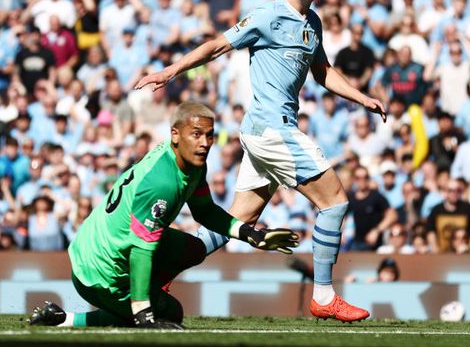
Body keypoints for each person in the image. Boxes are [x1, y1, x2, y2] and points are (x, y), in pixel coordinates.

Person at [136, 0, 386, 322]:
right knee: (334, 202)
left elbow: (323, 72)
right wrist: (172, 70)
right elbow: (217, 45)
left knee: (235, 222)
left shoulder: (312, 22)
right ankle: (323, 295)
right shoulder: (267, 15)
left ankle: (158, 277)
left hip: (265, 132)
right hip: (272, 128)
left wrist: (362, 97)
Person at [28, 102, 298, 329]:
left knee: (193, 249)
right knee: (171, 313)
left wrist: (251, 234)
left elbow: (204, 212)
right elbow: (140, 251)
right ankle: (87, 316)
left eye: (210, 135)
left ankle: (65, 317)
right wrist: (143, 313)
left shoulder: (190, 164)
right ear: (175, 134)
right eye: (196, 134)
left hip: (108, 241)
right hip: (99, 270)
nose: (204, 143)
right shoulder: (163, 182)